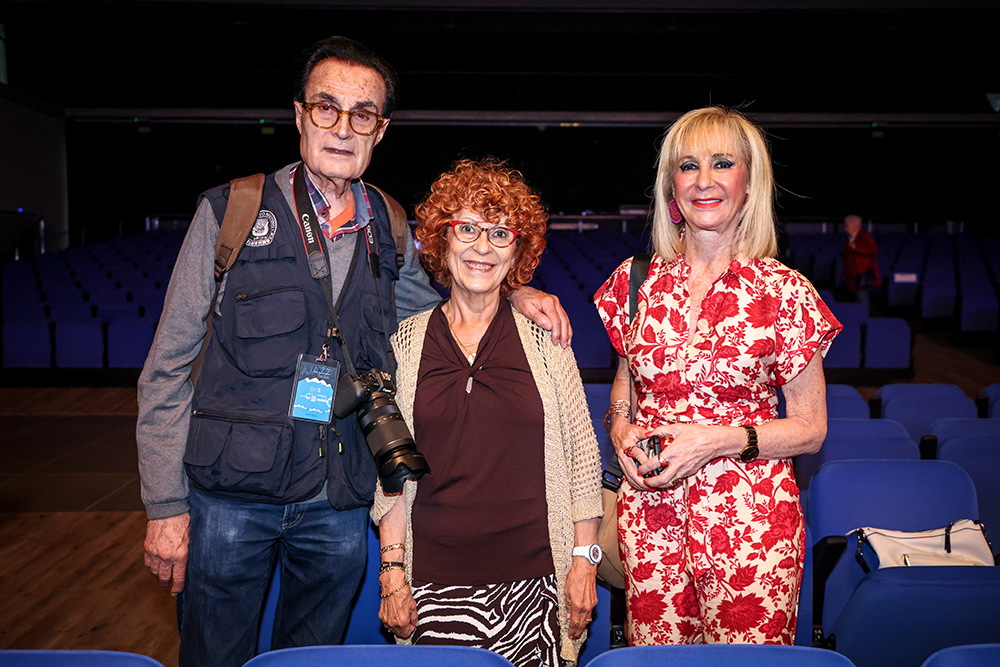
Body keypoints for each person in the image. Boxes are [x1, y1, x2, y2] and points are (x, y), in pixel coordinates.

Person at [137, 37, 571, 667]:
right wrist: (165, 505)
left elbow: (449, 303)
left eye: (362, 114)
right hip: (230, 502)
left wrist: (517, 290)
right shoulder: (231, 212)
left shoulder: (389, 226)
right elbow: (167, 367)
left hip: (338, 504)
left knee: (311, 664)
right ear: (299, 115)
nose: (342, 128)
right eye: (326, 108)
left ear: (380, 130)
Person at [594, 107, 842, 645]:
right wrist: (620, 429)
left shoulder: (784, 291)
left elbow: (811, 429)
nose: (704, 180)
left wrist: (714, 440)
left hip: (752, 524)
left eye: (722, 163)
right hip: (650, 517)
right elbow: (626, 386)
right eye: (688, 166)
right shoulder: (635, 283)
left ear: (750, 185)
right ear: (671, 188)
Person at [371, 159, 604, 667]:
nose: (482, 247)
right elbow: (391, 474)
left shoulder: (547, 341)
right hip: (432, 585)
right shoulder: (405, 344)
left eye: (500, 233)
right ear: (442, 239)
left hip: (537, 586)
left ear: (517, 251)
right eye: (468, 229)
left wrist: (584, 562)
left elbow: (583, 462)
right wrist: (392, 574)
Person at [842, 213, 880, 312]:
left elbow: (873, 250)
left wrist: (856, 248)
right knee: (857, 297)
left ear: (855, 226)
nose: (845, 228)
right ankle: (859, 314)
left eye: (847, 226)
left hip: (863, 273)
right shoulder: (850, 237)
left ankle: (864, 315)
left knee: (862, 296)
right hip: (853, 273)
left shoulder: (865, 236)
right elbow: (847, 256)